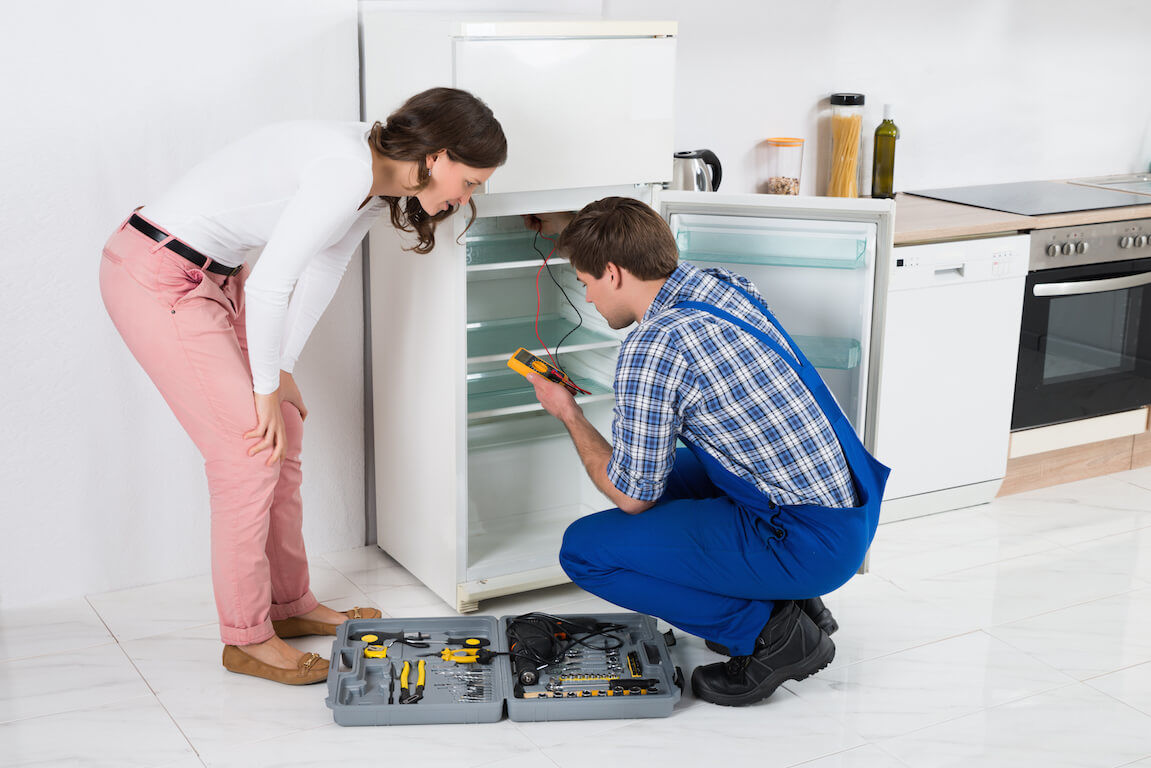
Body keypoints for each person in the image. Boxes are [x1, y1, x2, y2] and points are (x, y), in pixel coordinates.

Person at [100, 88, 506, 685]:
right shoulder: (346, 168)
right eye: (469, 181)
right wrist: (263, 385)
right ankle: (247, 638)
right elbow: (272, 284)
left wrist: (281, 368)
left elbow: (324, 266)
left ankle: (289, 606)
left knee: (282, 427)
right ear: (438, 156)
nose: (467, 196)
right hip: (158, 276)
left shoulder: (378, 181)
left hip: (214, 280)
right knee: (247, 453)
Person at [525, 197, 889, 707]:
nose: (586, 297)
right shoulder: (717, 284)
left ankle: (773, 635)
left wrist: (569, 413)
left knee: (586, 551)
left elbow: (632, 497)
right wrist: (567, 225)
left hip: (806, 540)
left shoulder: (654, 345)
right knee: (667, 481)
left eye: (585, 281)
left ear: (612, 272)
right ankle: (800, 602)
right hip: (848, 513)